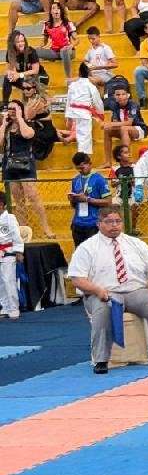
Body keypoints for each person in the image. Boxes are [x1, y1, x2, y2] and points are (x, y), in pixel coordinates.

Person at [66, 205, 148, 373]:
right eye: (109, 222)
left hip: (135, 292)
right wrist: (97, 291)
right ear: (99, 224)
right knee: (103, 310)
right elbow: (77, 279)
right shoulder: (87, 247)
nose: (114, 225)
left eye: (118, 221)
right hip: (103, 293)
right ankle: (101, 359)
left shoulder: (136, 243)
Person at [0, 97, 55, 238]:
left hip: (26, 164)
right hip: (10, 166)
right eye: (9, 108)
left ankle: (46, 227)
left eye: (14, 108)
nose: (11, 111)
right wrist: (3, 124)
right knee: (18, 201)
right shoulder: (5, 127)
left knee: (33, 196)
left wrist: (20, 118)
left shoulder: (28, 123)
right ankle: (23, 230)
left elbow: (27, 134)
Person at [67, 150, 111, 247]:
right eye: (77, 169)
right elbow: (74, 206)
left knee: (95, 254)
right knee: (80, 254)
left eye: (82, 167)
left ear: (90, 164)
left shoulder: (99, 179)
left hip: (93, 224)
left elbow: (108, 202)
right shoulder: (75, 180)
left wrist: (87, 199)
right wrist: (73, 200)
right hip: (77, 224)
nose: (80, 171)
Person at [0, 189, 21, 318]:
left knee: (9, 280)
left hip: (8, 252)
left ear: (3, 205)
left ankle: (14, 308)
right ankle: (5, 307)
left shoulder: (9, 218)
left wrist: (18, 251)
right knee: (1, 282)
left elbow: (16, 236)